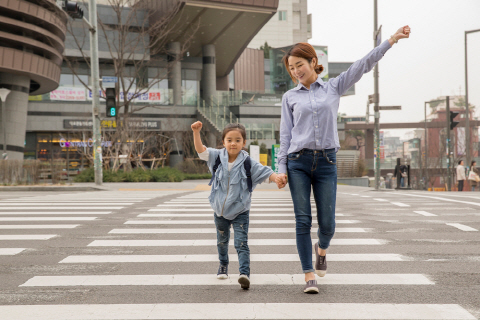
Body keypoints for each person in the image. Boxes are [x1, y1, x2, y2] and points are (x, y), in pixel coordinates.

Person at [276, 26, 411, 293]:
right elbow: (285, 137)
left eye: (299, 65)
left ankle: (321, 249)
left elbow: (364, 64)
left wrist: (391, 40)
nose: (295, 71)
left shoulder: (334, 87)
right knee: (302, 220)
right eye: (291, 68)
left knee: (327, 224)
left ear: (313, 62)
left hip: (326, 163)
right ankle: (307, 274)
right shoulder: (289, 97)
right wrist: (281, 169)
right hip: (297, 163)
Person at [191, 121, 282, 290]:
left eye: (238, 140)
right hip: (219, 210)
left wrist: (277, 178)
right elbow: (200, 150)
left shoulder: (248, 163)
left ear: (244, 143)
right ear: (223, 142)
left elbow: (265, 172)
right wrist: (196, 132)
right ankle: (223, 265)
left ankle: (244, 274)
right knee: (222, 242)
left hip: (240, 210)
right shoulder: (216, 157)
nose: (233, 143)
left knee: (241, 243)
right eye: (229, 140)